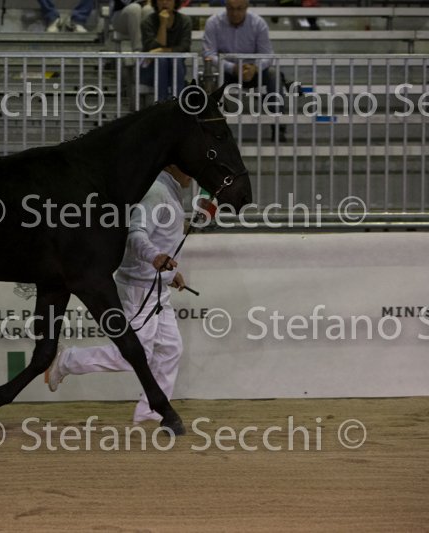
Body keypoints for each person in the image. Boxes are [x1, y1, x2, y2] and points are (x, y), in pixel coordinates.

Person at [47, 165, 191, 424]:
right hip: (139, 289)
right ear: (171, 165)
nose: (191, 173)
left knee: (171, 348)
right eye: (186, 166)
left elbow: (162, 239)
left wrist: (170, 275)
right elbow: (135, 233)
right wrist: (154, 257)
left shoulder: (171, 191)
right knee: (132, 354)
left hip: (155, 287)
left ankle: (150, 412)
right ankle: (66, 360)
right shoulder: (157, 191)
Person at [202, 0, 287, 141]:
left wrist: (255, 68)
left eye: (239, 8)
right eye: (231, 8)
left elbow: (267, 55)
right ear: (226, 7)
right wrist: (232, 68)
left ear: (247, 7)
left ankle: (278, 127)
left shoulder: (258, 23)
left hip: (253, 71)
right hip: (226, 72)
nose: (235, 13)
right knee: (209, 78)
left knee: (274, 75)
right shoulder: (213, 23)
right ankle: (210, 131)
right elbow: (208, 54)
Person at [139, 0, 192, 101]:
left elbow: (184, 47)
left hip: (176, 69)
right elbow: (151, 48)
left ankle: (178, 103)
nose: (164, 2)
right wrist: (163, 25)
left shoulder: (184, 21)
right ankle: (162, 103)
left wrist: (161, 51)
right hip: (151, 71)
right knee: (161, 60)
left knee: (175, 59)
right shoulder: (147, 22)